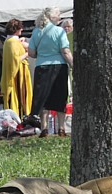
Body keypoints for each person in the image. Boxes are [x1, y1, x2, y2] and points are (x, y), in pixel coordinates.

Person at [28, 7, 73, 137]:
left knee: (43, 97)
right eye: (58, 15)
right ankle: (61, 129)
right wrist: (73, 64)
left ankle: (44, 128)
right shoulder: (59, 31)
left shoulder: (37, 31)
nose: (60, 17)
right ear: (53, 17)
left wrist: (42, 54)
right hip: (59, 67)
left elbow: (31, 52)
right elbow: (65, 51)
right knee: (60, 96)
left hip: (41, 66)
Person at [0, 18, 32, 118]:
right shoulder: (12, 43)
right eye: (20, 28)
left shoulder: (9, 41)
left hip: (17, 72)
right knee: (20, 96)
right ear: (16, 29)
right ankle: (21, 117)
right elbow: (15, 59)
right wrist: (27, 54)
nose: (22, 30)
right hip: (18, 74)